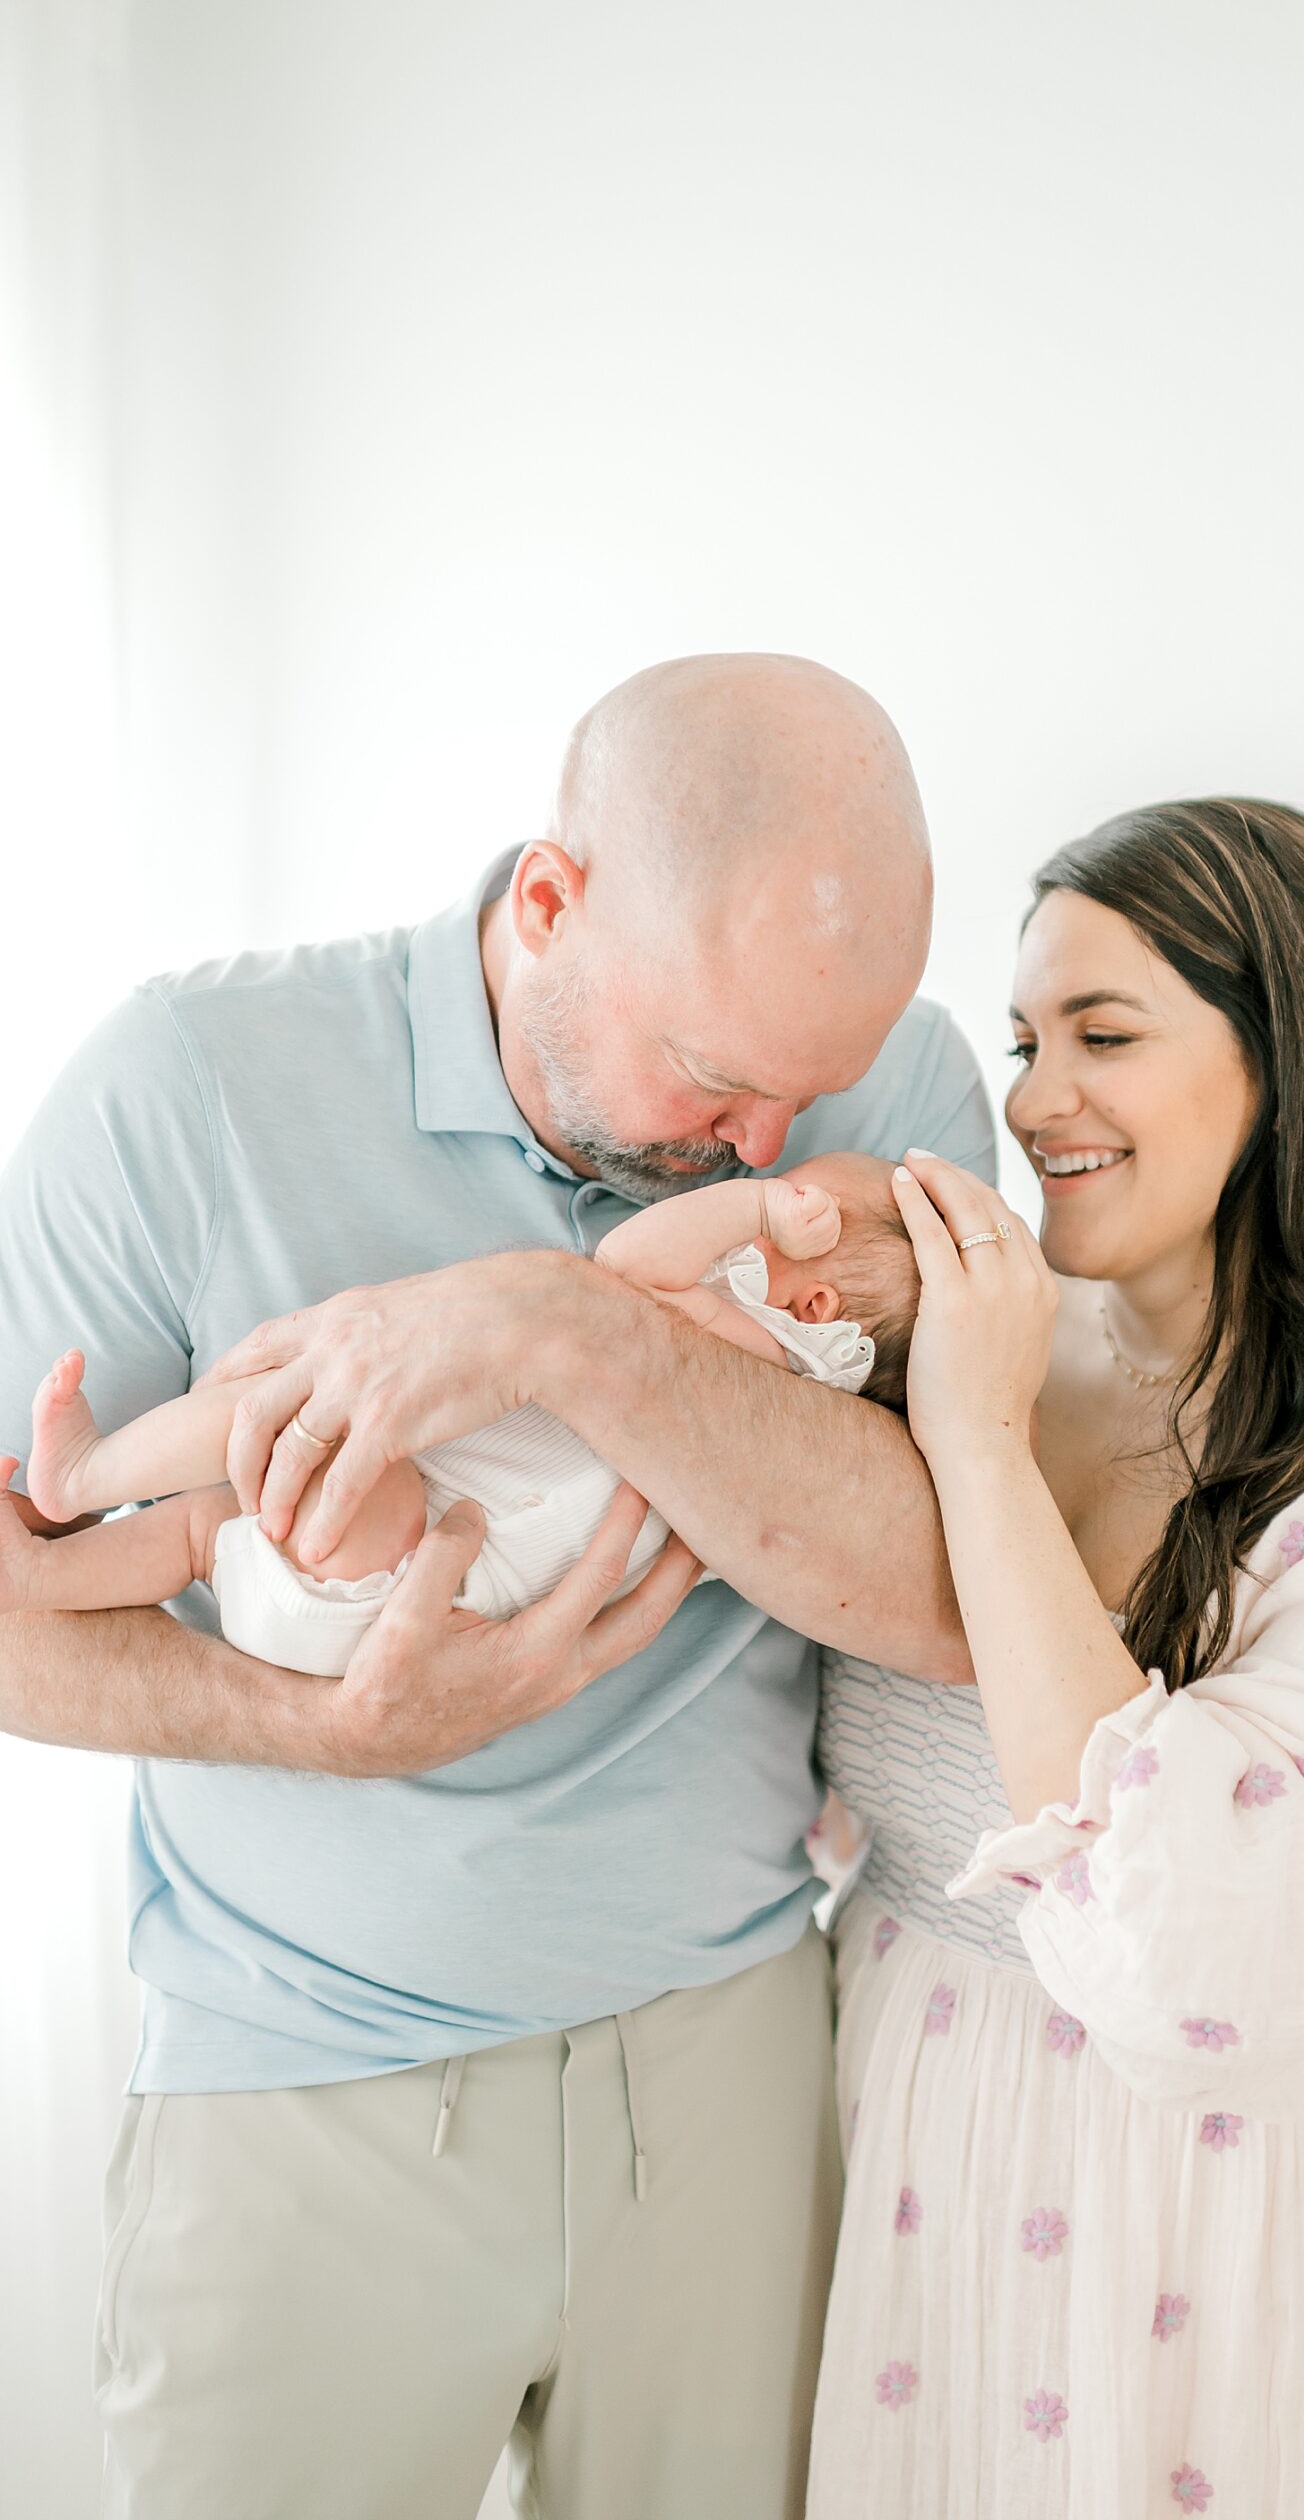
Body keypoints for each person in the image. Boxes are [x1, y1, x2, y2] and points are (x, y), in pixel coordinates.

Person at [0, 653, 994, 2520]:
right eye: (715, 1081)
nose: (774, 1152)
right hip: (305, 2088)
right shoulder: (191, 1083)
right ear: (549, 904)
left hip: (727, 2069)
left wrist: (564, 1329)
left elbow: (956, 1596)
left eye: (815, 1091)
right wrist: (327, 1724)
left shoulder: (898, 1085)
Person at [809, 800, 1304, 2517]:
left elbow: (1194, 1944)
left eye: (1104, 1034)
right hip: (905, 2142)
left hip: (1230, 2207)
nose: (1031, 1099)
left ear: (1291, 1058)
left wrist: (975, 1451)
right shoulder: (989, 1339)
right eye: (1025, 1039)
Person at [2, 1152, 918, 1671]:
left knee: (303, 1415)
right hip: (383, 1586)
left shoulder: (752, 1361)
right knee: (208, 1530)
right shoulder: (776, 1417)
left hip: (415, 1578)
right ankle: (45, 1575)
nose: (773, 1184)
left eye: (804, 1205)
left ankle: (88, 1475)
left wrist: (752, 1204)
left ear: (818, 1316)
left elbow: (631, 1269)